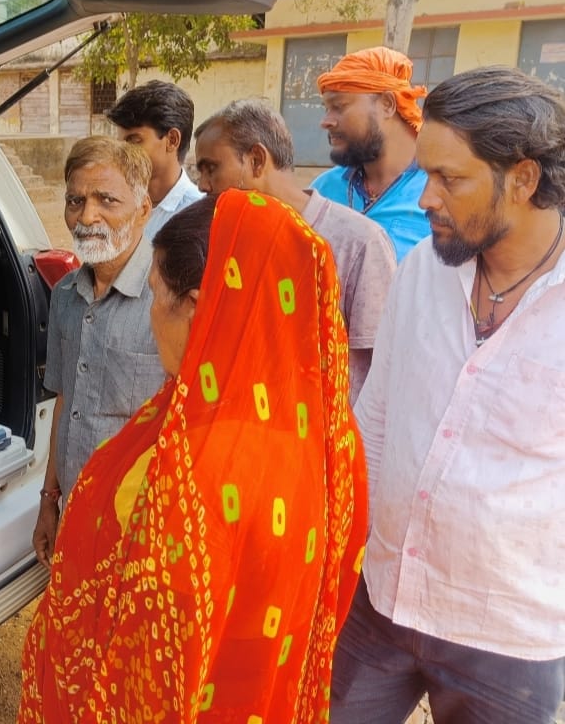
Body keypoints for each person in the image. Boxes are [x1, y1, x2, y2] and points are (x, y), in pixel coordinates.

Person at [19, 190, 368, 724]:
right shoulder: (330, 443)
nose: (150, 316)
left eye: (157, 296)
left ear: (199, 308)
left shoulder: (187, 466)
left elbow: (150, 651)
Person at [330, 66, 565, 723]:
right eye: (424, 174)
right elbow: (378, 419)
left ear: (523, 179)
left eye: (449, 179)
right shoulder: (422, 272)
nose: (425, 198)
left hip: (507, 636)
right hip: (380, 599)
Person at [193, 97, 396, 402]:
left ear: (257, 160)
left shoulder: (358, 242)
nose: (202, 185)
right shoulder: (227, 240)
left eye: (211, 169)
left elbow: (379, 372)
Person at [32, 135, 166, 569]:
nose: (87, 216)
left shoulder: (172, 300)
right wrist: (49, 499)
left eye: (106, 200)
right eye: (76, 201)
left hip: (143, 529)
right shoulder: (64, 296)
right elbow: (64, 402)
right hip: (75, 513)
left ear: (143, 209)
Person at [311, 46, 431, 262]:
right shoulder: (323, 189)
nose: (326, 121)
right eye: (326, 108)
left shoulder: (438, 194)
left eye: (339, 106)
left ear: (387, 104)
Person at [105, 79, 203, 239]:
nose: (121, 153)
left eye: (134, 141)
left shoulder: (199, 216)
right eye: (120, 143)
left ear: (172, 140)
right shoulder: (116, 205)